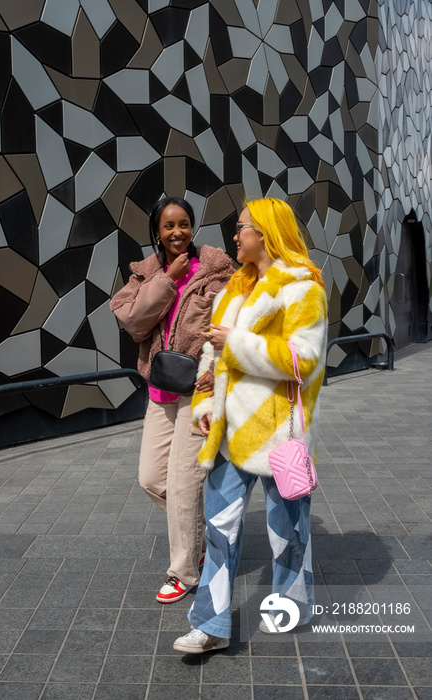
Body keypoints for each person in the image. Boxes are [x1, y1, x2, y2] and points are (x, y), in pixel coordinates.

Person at [173, 197, 328, 652]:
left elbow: (304, 359)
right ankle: (209, 626)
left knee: (289, 529)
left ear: (265, 233)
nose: (234, 236)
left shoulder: (303, 289)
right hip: (227, 432)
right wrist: (204, 408)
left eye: (241, 227)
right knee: (219, 529)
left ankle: (292, 604)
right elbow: (209, 356)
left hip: (279, 433)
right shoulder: (234, 290)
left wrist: (237, 342)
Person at [109, 196, 234, 603]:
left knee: (182, 486)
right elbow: (131, 321)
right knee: (150, 478)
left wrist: (215, 378)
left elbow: (227, 326)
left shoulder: (216, 271)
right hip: (160, 389)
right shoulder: (145, 275)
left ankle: (184, 572)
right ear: (157, 233)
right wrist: (166, 280)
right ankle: (200, 533)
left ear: (192, 227)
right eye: (168, 226)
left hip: (197, 391)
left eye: (183, 224)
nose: (177, 232)